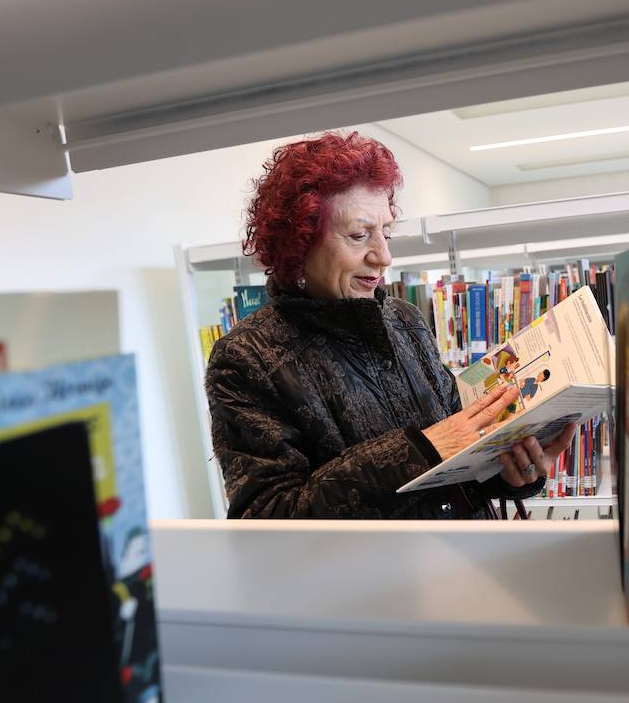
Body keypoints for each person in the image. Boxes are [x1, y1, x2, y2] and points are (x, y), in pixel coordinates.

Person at [205, 131, 576, 519]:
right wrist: (422, 449)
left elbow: (458, 453)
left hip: (469, 562)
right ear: (298, 244)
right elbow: (268, 518)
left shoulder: (405, 320)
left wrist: (511, 472)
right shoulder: (247, 357)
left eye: (386, 232)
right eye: (359, 235)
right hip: (379, 579)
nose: (384, 256)